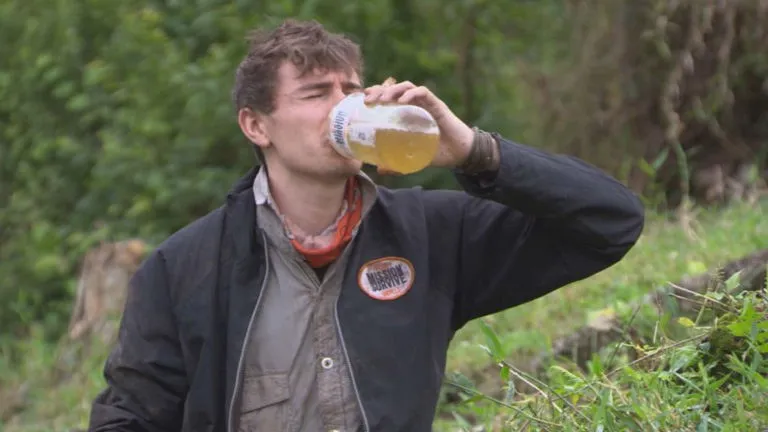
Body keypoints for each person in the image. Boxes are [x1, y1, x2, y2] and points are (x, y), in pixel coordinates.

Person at [88, 18, 645, 432]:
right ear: (256, 126)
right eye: (316, 94)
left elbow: (610, 222)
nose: (343, 107)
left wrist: (474, 151)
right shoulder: (184, 268)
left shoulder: (429, 234)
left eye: (351, 91)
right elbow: (129, 418)